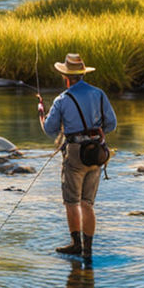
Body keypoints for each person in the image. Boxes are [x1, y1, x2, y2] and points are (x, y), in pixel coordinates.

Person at [38, 52, 117, 263]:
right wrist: (98, 131)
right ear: (82, 74)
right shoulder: (99, 94)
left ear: (66, 77)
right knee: (87, 204)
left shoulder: (62, 99)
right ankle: (88, 252)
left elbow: (49, 130)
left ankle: (76, 245)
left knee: (72, 202)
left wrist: (41, 114)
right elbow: (112, 124)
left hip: (74, 155)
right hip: (97, 152)